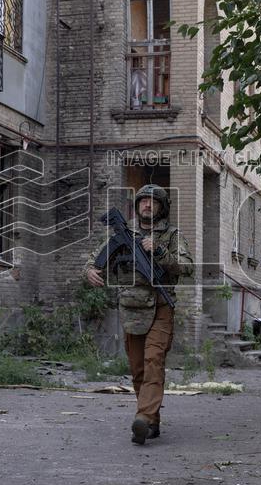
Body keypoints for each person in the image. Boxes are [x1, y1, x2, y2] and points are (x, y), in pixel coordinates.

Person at [83, 184, 193, 445]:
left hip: (161, 306)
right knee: (137, 368)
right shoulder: (125, 233)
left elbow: (188, 268)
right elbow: (94, 260)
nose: (147, 205)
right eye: (143, 201)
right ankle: (151, 421)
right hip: (131, 307)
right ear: (137, 205)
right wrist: (89, 270)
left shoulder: (172, 235)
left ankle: (143, 418)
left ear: (161, 207)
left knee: (154, 360)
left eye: (153, 202)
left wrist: (160, 252)